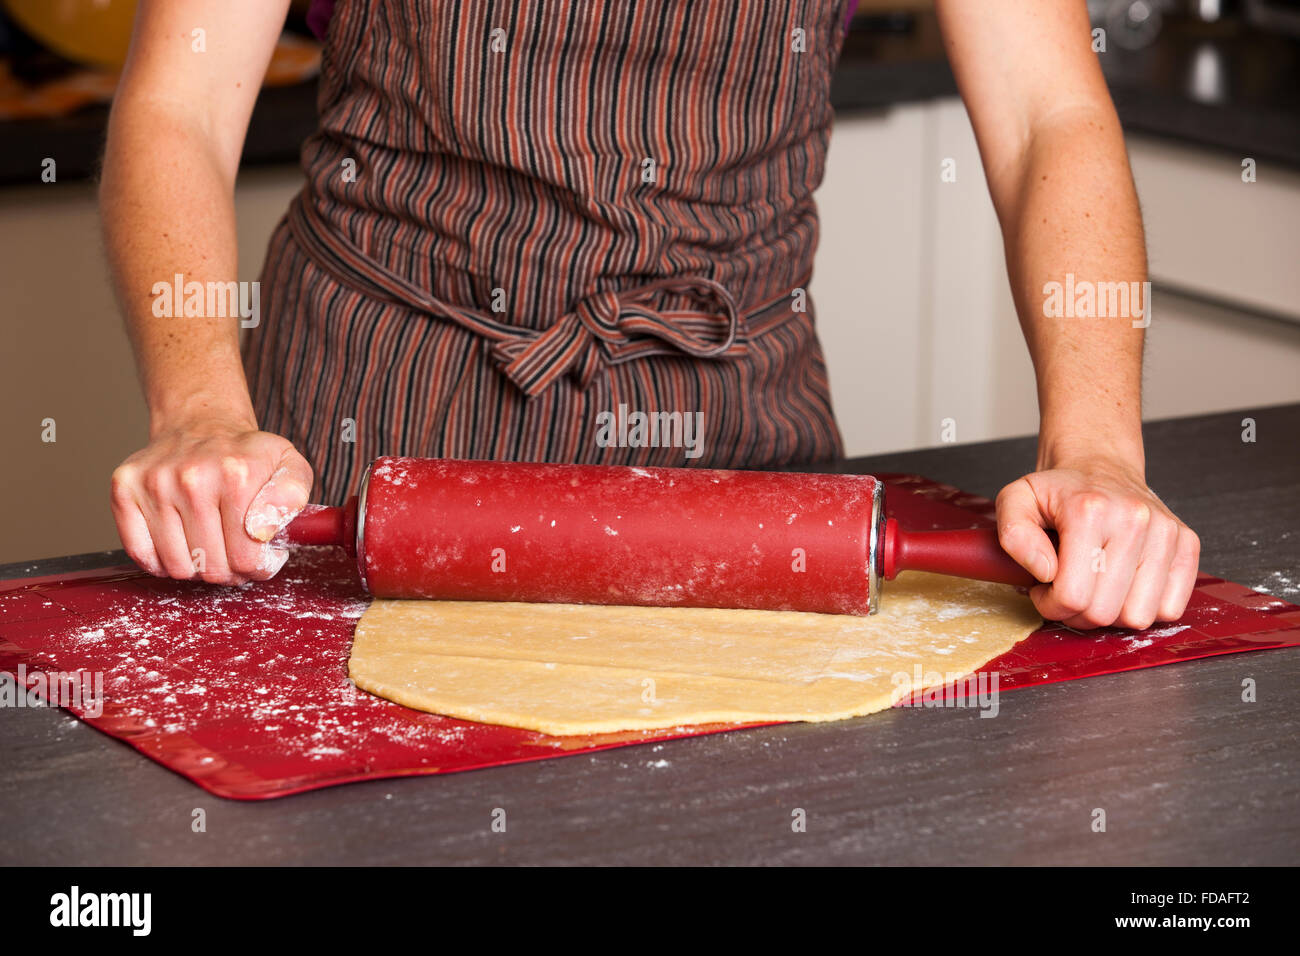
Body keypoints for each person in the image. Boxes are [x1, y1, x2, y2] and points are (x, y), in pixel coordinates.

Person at [101, 0, 1199, 631]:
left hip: (737, 449)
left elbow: (1047, 112)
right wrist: (199, 407)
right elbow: (177, 105)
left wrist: (1097, 451)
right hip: (378, 405)